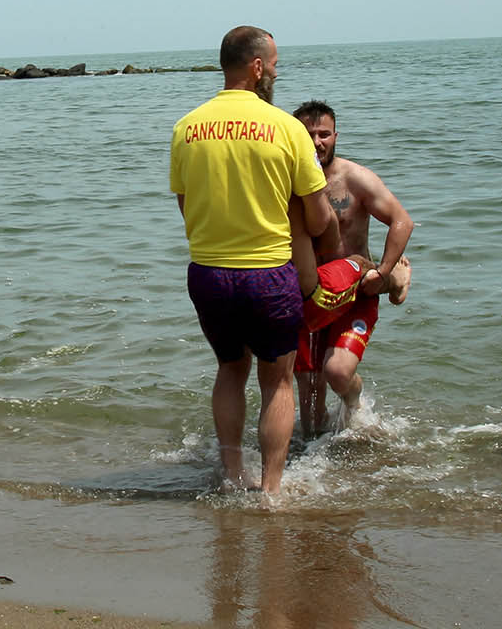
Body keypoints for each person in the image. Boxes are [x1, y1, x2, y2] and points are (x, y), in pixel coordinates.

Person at [170, 26, 336, 495]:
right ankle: (271, 491)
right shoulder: (285, 127)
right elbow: (320, 219)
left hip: (208, 273)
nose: (277, 72)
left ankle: (231, 475)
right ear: (258, 66)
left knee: (229, 369)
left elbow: (186, 205)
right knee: (278, 382)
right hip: (268, 273)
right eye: (276, 64)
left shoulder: (187, 127)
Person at [288, 101, 414, 437]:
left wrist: (382, 272)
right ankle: (314, 462)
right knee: (309, 405)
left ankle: (354, 404)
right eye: (307, 134)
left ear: (335, 136)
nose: (317, 142)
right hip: (309, 295)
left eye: (324, 134)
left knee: (338, 373)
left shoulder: (355, 178)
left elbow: (402, 220)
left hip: (355, 291)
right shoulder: (286, 181)